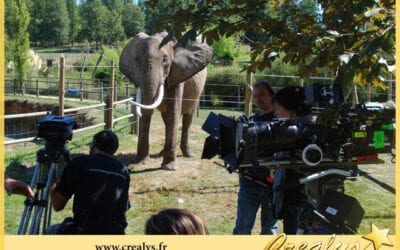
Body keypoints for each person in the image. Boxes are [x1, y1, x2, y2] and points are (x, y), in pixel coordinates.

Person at [46, 130, 131, 234]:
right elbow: (122, 209)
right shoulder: (123, 170)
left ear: (94, 142)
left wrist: (52, 171)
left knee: (49, 231)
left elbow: (57, 205)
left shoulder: (80, 162)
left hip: (84, 231)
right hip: (115, 233)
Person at [233, 81, 278, 235]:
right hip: (249, 181)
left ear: (272, 96)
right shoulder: (252, 120)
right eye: (255, 96)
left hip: (271, 186)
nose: (259, 99)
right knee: (242, 228)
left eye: (262, 95)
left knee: (269, 229)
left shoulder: (281, 121)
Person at [271, 85, 313, 234]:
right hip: (292, 200)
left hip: (298, 201)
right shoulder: (298, 131)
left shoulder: (302, 135)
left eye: (277, 110)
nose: (275, 114)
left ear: (293, 112)